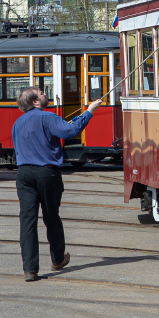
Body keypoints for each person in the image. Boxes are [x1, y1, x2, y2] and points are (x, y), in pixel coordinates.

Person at [12, 87, 103, 281]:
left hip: (24, 174)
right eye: (41, 93)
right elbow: (71, 131)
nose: (45, 94)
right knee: (51, 216)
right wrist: (89, 112)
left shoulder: (18, 123)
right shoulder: (47, 117)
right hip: (46, 173)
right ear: (35, 102)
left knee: (27, 221)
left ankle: (30, 269)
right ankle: (57, 259)